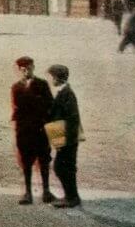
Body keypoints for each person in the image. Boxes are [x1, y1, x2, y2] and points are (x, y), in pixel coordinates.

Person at [10, 56, 54, 205]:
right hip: (24, 131)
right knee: (26, 162)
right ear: (19, 70)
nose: (26, 71)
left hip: (40, 129)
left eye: (29, 68)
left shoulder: (42, 84)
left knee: (44, 160)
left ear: (33, 67)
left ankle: (46, 191)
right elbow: (17, 108)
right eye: (23, 69)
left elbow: (50, 105)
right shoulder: (16, 87)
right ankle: (28, 192)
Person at [47, 64, 83, 208]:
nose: (50, 80)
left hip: (67, 140)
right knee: (65, 168)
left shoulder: (66, 94)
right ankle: (71, 196)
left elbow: (70, 121)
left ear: (56, 77)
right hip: (67, 139)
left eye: (51, 77)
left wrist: (61, 142)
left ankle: (72, 197)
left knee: (62, 168)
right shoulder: (65, 92)